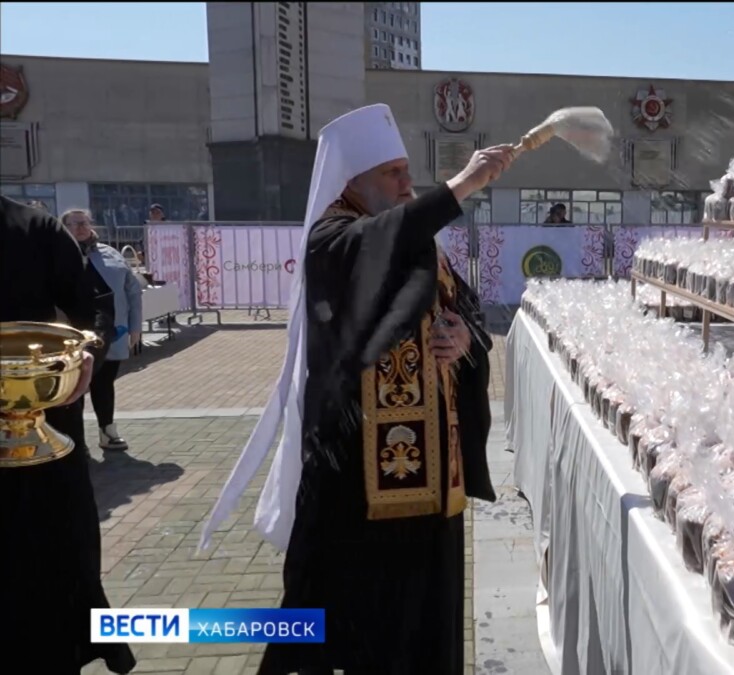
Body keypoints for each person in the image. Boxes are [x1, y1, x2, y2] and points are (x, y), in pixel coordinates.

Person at [202, 103, 511, 674]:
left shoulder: (415, 238)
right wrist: (462, 185)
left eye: (406, 172)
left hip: (431, 480)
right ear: (353, 181)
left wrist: (464, 338)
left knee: (427, 625)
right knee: (357, 623)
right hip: (357, 482)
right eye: (393, 173)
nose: (406, 184)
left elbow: (462, 304)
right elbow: (376, 244)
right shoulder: (333, 238)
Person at [0, 195, 137, 674]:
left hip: (41, 419)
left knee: (54, 549)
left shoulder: (36, 229)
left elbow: (90, 309)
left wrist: (85, 359)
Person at [62, 208, 144, 452]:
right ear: (63, 227)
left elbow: (132, 291)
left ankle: (107, 431)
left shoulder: (110, 253)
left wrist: (135, 328)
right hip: (71, 333)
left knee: (104, 382)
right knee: (72, 388)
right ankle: (75, 440)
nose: (80, 227)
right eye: (74, 224)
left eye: (84, 222)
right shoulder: (55, 255)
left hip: (111, 330)